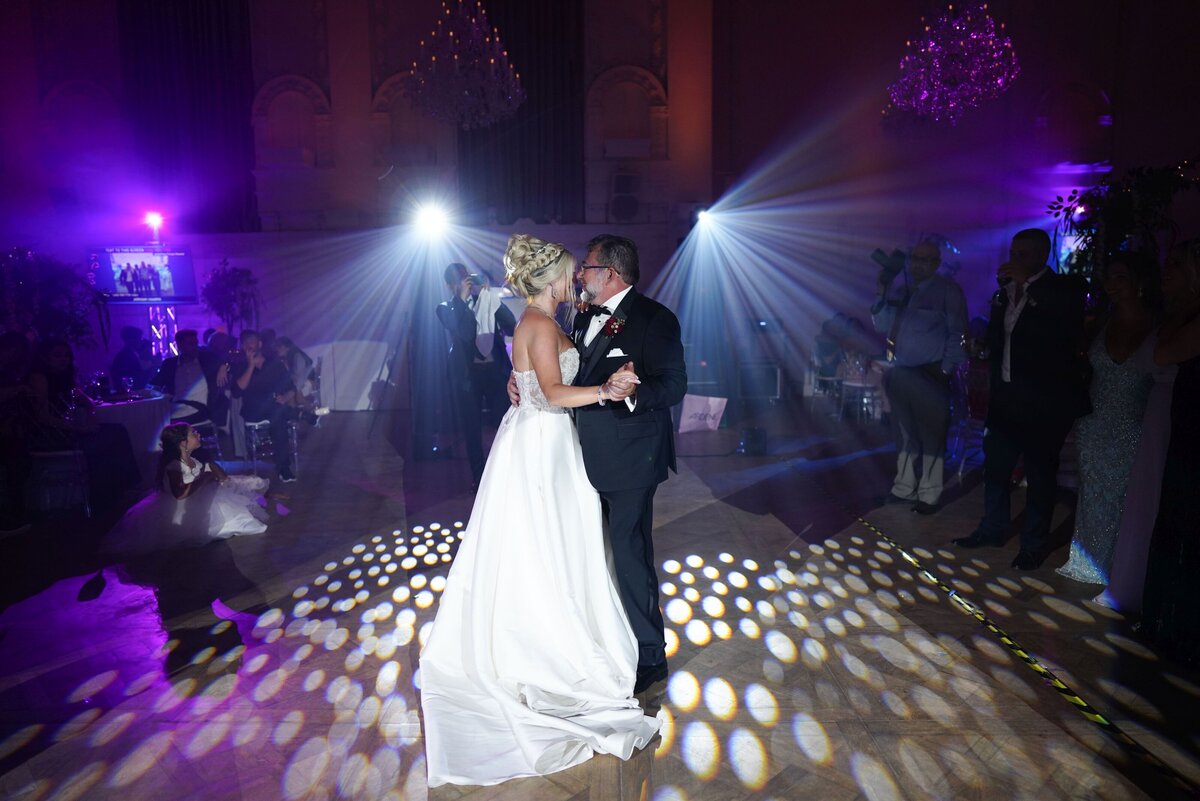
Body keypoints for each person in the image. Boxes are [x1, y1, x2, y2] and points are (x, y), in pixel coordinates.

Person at [420, 234, 659, 787]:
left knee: (536, 544)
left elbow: (529, 382)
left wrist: (524, 381)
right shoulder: (542, 324)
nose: (573, 281)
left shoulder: (530, 321)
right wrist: (606, 388)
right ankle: (554, 646)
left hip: (531, 439)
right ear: (549, 278)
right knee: (552, 545)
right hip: (546, 442)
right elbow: (552, 393)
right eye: (569, 273)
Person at [953, 229, 1089, 569]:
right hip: (1007, 397)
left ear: (1042, 255)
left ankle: (1033, 544)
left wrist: (1028, 283)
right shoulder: (1005, 292)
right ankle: (993, 528)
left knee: (1040, 475)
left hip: (1044, 402)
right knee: (996, 468)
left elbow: (1065, 329)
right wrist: (984, 347)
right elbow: (1004, 340)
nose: (1015, 259)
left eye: (1024, 254)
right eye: (1014, 252)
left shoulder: (1066, 289)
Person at [1056, 253, 1158, 586]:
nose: (1111, 285)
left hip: (1135, 425)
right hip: (1095, 424)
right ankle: (1086, 562)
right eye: (1108, 278)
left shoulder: (1158, 325)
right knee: (1092, 496)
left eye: (1120, 278)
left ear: (1140, 282)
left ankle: (1120, 568)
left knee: (1127, 500)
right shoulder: (1101, 320)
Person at [870, 239, 967, 513]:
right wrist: (882, 290)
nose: (918, 264)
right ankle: (903, 488)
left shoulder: (948, 291)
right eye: (915, 258)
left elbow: (958, 333)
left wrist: (946, 370)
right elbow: (882, 324)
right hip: (901, 371)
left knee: (931, 435)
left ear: (936, 264)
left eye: (926, 259)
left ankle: (928, 495)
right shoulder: (902, 290)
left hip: (930, 372)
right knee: (904, 434)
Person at [1138, 239, 1200, 665]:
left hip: (1198, 435)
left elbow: (1164, 352)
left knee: (1188, 532)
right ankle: (1163, 621)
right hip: (1188, 426)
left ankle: (1182, 632)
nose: (1167, 271)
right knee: (1174, 524)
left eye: (1176, 264)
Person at [103, 423, 268, 555]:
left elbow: (213, 474)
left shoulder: (194, 460)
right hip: (182, 511)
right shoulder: (174, 465)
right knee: (236, 521)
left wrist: (211, 473)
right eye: (193, 433)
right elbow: (180, 494)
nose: (199, 435)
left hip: (201, 500)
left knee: (243, 516)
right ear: (183, 443)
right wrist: (204, 477)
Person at [27, 338, 141, 506]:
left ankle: (124, 487)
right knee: (99, 442)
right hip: (48, 435)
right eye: (57, 355)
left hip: (67, 430)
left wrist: (91, 415)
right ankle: (102, 495)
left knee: (117, 431)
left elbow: (87, 401)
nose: (63, 359)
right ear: (45, 357)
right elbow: (42, 417)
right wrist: (79, 428)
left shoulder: (64, 377)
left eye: (66, 355)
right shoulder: (39, 378)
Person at [435, 262, 518, 486]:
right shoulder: (445, 308)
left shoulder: (487, 301)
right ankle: (479, 480)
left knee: (504, 423)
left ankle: (505, 474)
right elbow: (462, 333)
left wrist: (490, 296)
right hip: (467, 377)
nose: (466, 282)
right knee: (472, 429)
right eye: (460, 280)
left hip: (495, 372)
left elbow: (511, 326)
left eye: (467, 277)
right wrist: (461, 299)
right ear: (450, 285)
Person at [230, 330, 304, 483]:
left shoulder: (274, 363)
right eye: (246, 342)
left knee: (278, 417)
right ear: (242, 346)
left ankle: (283, 467)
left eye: (253, 341)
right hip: (253, 411)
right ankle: (302, 414)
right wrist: (250, 366)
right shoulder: (239, 365)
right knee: (278, 413)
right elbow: (237, 392)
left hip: (275, 409)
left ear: (260, 344)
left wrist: (285, 397)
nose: (249, 345)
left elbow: (290, 388)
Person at [150, 329, 230, 426]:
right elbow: (154, 385)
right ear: (180, 346)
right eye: (191, 344)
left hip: (202, 409)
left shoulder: (206, 359)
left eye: (195, 343)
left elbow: (229, 357)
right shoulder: (170, 364)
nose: (195, 347)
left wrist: (223, 366)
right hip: (176, 408)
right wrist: (161, 395)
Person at [110, 325, 146, 389]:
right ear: (132, 340)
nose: (142, 341)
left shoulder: (125, 354)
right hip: (131, 393)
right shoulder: (126, 356)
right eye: (140, 338)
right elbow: (137, 378)